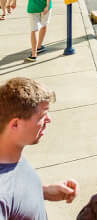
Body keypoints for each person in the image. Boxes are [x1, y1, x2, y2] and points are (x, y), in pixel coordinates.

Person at [0, 78, 79, 215]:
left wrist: (43, 191)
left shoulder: (12, 154)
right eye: (43, 116)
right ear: (15, 124)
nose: (49, 120)